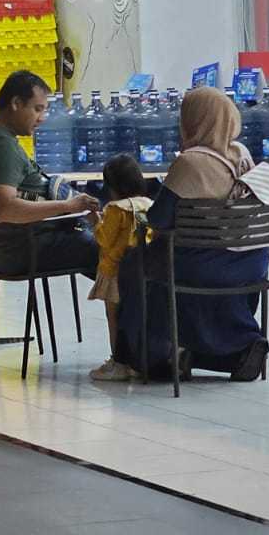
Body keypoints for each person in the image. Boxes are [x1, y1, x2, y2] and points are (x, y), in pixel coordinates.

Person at [115, 86, 269, 382]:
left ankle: (153, 357)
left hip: (200, 267)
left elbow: (159, 219)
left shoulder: (190, 162)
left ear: (194, 120)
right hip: (252, 264)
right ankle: (236, 346)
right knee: (184, 270)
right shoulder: (242, 154)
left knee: (136, 264)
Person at [0, 70, 99, 281]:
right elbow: (5, 209)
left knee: (113, 258)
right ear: (16, 103)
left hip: (15, 246)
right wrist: (68, 206)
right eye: (37, 109)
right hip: (28, 248)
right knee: (119, 253)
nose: (42, 118)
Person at [88, 153, 152, 383]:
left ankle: (118, 361)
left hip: (114, 272)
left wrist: (95, 222)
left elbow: (105, 239)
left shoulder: (115, 209)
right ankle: (137, 360)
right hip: (141, 271)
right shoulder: (148, 204)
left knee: (113, 316)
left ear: (112, 186)